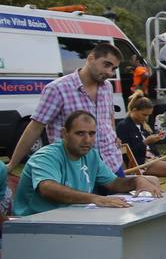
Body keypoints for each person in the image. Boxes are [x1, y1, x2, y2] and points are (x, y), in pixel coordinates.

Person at [8, 43, 125, 179]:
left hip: (111, 163)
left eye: (114, 68)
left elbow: (109, 115)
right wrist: (11, 165)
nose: (110, 72)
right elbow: (35, 127)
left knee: (126, 200)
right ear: (91, 59)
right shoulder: (57, 89)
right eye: (106, 65)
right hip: (76, 170)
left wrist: (113, 135)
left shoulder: (107, 87)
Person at [13, 111, 163, 215]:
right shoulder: (46, 156)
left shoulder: (91, 154)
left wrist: (138, 181)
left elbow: (114, 183)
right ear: (64, 133)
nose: (87, 140)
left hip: (70, 218)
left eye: (91, 133)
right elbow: (48, 188)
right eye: (80, 133)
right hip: (35, 222)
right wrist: (95, 198)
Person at [117, 96, 166, 187]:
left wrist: (155, 140)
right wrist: (146, 142)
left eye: (149, 115)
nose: (146, 118)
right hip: (141, 162)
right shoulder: (123, 126)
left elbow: (151, 148)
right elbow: (128, 152)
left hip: (154, 156)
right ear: (134, 110)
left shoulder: (143, 125)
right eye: (144, 115)